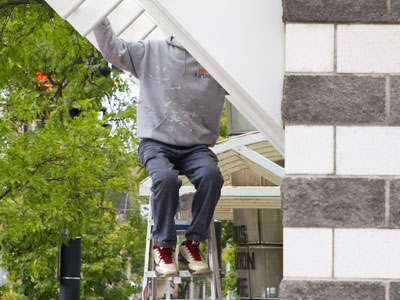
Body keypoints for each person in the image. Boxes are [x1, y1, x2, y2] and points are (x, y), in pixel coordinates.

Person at [94, 19, 225, 277]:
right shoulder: (152, 52)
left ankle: (193, 243)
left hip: (195, 146)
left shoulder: (215, 61)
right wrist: (100, 19)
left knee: (212, 176)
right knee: (165, 178)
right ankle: (163, 246)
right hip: (156, 142)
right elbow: (112, 50)